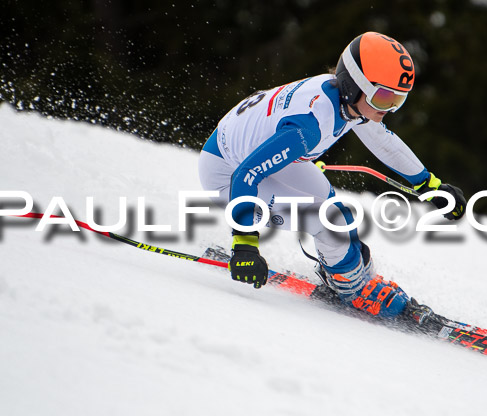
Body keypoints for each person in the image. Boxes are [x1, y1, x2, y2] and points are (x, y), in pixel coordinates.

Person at [198, 31, 466, 322]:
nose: (388, 109)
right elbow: (246, 175)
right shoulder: (311, 124)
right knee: (329, 222)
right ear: (355, 85)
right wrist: (245, 245)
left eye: (398, 101)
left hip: (251, 154)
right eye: (384, 98)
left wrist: (429, 185)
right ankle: (354, 289)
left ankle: (344, 273)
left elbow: (383, 141)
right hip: (227, 174)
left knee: (331, 206)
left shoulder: (347, 101)